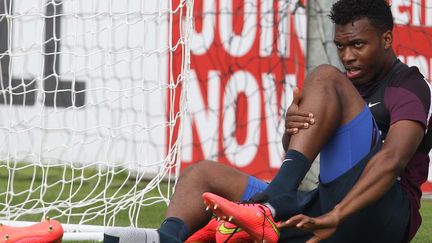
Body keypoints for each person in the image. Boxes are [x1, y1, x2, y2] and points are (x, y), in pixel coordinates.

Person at [103, 0, 431, 242]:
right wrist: (293, 131)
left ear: (386, 40)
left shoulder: (408, 85)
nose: (347, 56)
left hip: (382, 217)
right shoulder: (346, 84)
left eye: (358, 44)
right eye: (340, 46)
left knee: (325, 76)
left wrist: (337, 214)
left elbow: (392, 160)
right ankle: (168, 238)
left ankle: (270, 207)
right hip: (324, 204)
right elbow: (302, 152)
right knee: (201, 175)